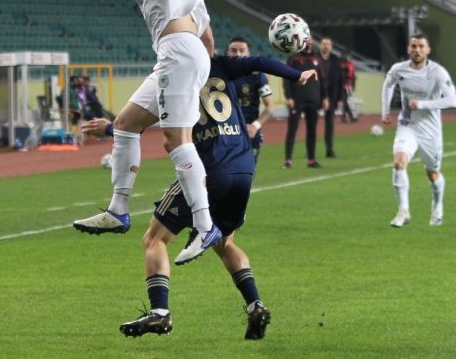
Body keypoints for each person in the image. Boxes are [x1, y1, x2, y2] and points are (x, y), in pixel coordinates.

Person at [81, 53, 317, 339]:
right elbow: (259, 62)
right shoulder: (222, 65)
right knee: (224, 241)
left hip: (208, 171)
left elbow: (158, 123)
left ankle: (160, 313)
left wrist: (110, 128)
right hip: (243, 171)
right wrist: (297, 74)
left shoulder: (178, 76)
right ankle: (256, 305)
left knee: (155, 239)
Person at [73, 0, 220, 265]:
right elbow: (209, 39)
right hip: (187, 52)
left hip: (176, 52)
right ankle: (118, 209)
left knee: (176, 140)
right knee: (125, 123)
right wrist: (197, 74)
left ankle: (204, 225)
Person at [380, 33, 456, 227]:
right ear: (408, 49)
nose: (417, 50)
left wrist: (422, 104)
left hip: (430, 130)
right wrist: (385, 111)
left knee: (432, 173)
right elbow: (388, 85)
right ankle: (403, 210)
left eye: (421, 46)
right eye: (413, 46)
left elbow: (452, 100)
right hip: (408, 125)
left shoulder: (437, 72)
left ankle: (437, 204)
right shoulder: (399, 70)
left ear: (428, 50)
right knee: (399, 163)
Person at [226, 37, 275, 166]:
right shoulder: (218, 75)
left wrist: (255, 126)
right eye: (233, 50)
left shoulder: (257, 76)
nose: (238, 54)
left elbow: (270, 106)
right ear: (227, 53)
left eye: (242, 50)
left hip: (249, 132)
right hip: (223, 132)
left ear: (248, 54)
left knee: (245, 178)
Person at [282, 36, 327, 169]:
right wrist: (289, 96)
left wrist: (324, 97)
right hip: (297, 100)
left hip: (314, 100)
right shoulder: (294, 58)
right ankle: (288, 160)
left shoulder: (318, 59)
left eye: (311, 40)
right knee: (292, 129)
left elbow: (322, 80)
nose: (309, 42)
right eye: (306, 39)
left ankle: (311, 160)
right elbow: (287, 78)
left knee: (312, 130)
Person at [317, 37, 344, 158]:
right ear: (320, 46)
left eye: (328, 44)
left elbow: (340, 80)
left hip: (332, 96)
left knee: (330, 125)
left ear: (331, 47)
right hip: (315, 94)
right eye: (324, 44)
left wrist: (340, 98)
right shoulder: (313, 58)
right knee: (311, 123)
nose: (326, 46)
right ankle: (310, 151)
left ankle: (329, 150)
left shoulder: (335, 59)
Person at [339, 53, 357, 123]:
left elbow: (353, 77)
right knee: (343, 101)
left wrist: (353, 86)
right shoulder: (340, 64)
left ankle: (345, 116)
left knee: (344, 101)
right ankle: (348, 116)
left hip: (346, 86)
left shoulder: (351, 65)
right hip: (340, 85)